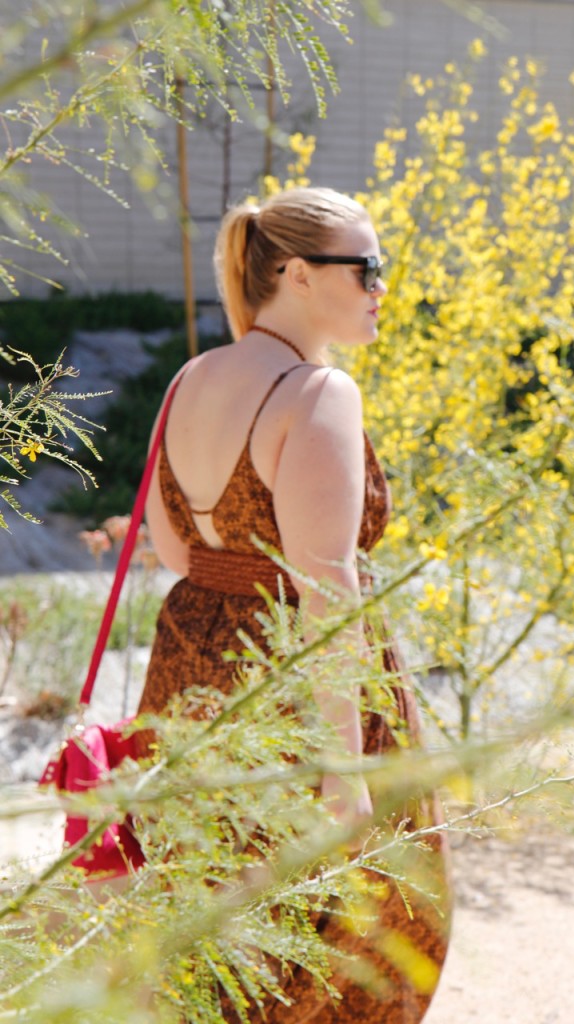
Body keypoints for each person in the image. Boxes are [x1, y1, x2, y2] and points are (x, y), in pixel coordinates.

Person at [139, 186, 450, 1022]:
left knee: (206, 927)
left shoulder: (190, 378)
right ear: (298, 274)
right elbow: (325, 587)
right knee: (354, 943)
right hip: (295, 691)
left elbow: (179, 555)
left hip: (187, 676)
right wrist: (344, 779)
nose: (382, 285)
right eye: (368, 267)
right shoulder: (317, 393)